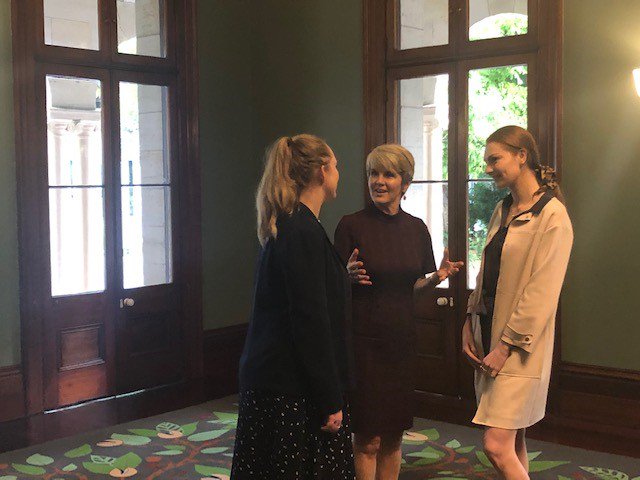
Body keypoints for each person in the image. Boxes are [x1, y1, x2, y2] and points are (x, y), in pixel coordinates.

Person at [334, 144, 463, 480]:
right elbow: (329, 288)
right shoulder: (350, 225)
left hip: (401, 344)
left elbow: (413, 286)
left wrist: (437, 277)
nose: (379, 181)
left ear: (405, 183)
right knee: (367, 439)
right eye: (373, 174)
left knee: (393, 435)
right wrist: (343, 276)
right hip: (364, 346)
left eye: (388, 174)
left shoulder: (416, 228)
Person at [231, 134, 355, 479]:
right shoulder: (300, 228)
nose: (338, 174)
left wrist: (341, 278)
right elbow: (309, 320)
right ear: (322, 171)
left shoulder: (293, 223)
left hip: (278, 379)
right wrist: (331, 398)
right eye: (337, 166)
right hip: (290, 387)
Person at [462, 126, 573, 480]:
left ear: (522, 155)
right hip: (488, 334)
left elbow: (542, 292)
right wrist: (469, 318)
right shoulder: (503, 208)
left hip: (519, 348)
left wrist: (506, 346)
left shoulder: (553, 216)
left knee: (495, 445)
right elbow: (486, 272)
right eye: (487, 161)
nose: (489, 167)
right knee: (514, 441)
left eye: (495, 159)